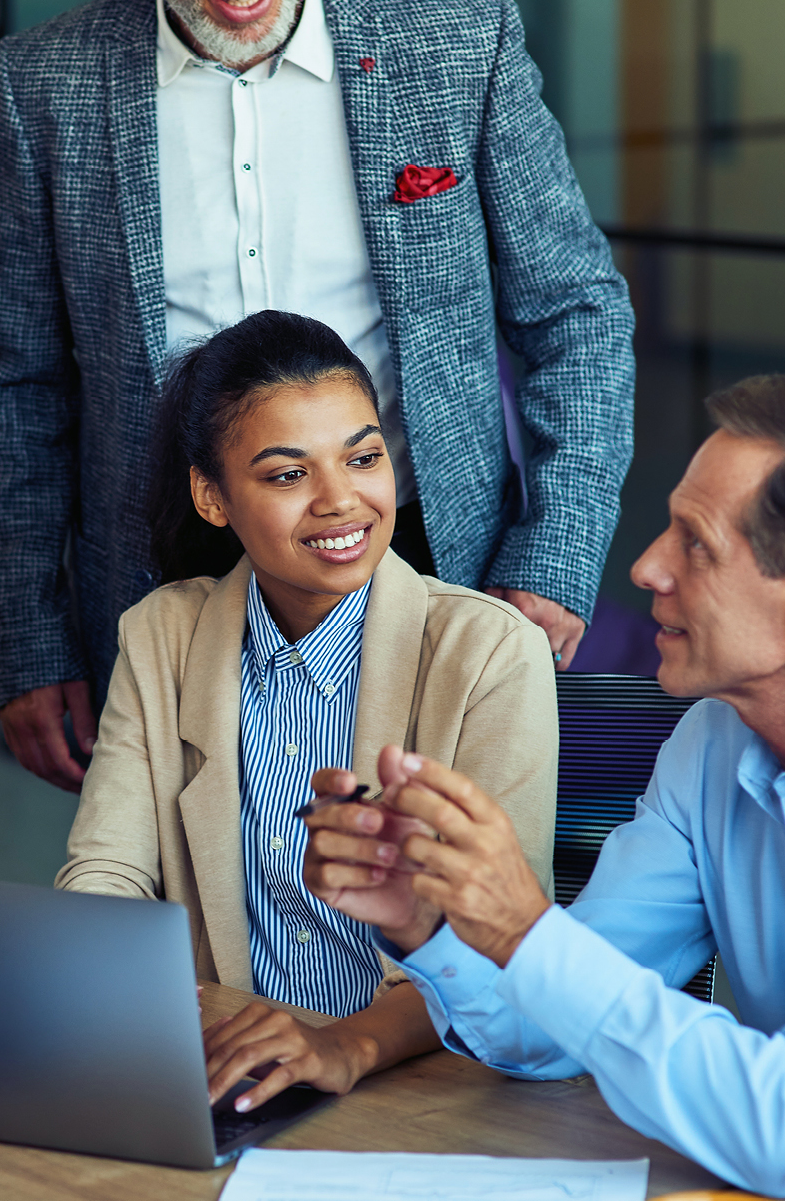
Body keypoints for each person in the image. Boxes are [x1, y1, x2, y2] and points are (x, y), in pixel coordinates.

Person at [0, 0, 634, 794]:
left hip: (424, 555)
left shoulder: (459, 48)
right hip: (163, 577)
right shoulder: (43, 87)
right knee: (193, 912)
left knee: (429, 914)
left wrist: (551, 557)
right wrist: (28, 643)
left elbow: (576, 316)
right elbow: (17, 391)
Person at [57, 310, 558, 1112]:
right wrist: (128, 1001)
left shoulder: (489, 653)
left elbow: (493, 935)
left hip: (425, 1082)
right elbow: (109, 869)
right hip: (233, 1070)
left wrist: (341, 1044)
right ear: (211, 496)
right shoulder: (163, 633)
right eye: (288, 475)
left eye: (363, 458)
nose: (340, 501)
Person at [299, 372, 785, 1196]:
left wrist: (529, 933)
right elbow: (553, 1025)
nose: (644, 567)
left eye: (695, 542)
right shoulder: (709, 738)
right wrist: (439, 926)